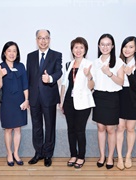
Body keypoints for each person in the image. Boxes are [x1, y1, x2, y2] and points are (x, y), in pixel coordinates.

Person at [26, 29, 62, 167]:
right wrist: (27, 97)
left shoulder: (56, 55)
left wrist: (50, 78)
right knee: (36, 126)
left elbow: (59, 72)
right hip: (34, 97)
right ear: (36, 40)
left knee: (49, 126)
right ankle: (38, 152)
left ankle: (48, 154)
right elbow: (28, 77)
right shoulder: (30, 56)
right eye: (40, 38)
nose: (43, 40)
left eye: (46, 38)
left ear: (50, 39)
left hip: (49, 97)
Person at [59, 37, 95, 168]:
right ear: (72, 50)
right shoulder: (69, 65)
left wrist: (89, 76)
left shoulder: (90, 64)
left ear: (85, 49)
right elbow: (64, 84)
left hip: (83, 102)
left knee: (80, 130)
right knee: (71, 130)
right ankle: (73, 154)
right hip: (68, 101)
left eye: (81, 47)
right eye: (76, 47)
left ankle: (81, 156)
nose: (78, 50)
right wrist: (61, 101)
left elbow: (92, 86)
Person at [91, 33, 124, 169]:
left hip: (112, 97)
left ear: (112, 46)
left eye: (108, 44)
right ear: (99, 46)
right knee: (100, 127)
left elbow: (121, 81)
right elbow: (92, 85)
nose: (105, 47)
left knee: (111, 128)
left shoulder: (118, 62)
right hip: (98, 96)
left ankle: (110, 157)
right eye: (102, 44)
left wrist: (109, 72)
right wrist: (88, 77)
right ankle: (102, 156)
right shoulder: (95, 62)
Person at [0, 41, 29, 167]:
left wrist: (26, 100)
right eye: (9, 51)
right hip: (7, 102)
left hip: (20, 101)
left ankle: (16, 153)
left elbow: (25, 85)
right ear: (4, 53)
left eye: (14, 51)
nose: (12, 53)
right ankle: (9, 154)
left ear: (17, 53)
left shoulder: (21, 66)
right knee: (8, 129)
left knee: (18, 129)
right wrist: (0, 76)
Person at [116, 36, 136, 170]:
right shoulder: (117, 63)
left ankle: (128, 155)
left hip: (133, 99)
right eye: (125, 46)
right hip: (120, 97)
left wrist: (129, 74)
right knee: (120, 128)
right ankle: (120, 157)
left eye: (131, 47)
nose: (127, 49)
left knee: (130, 128)